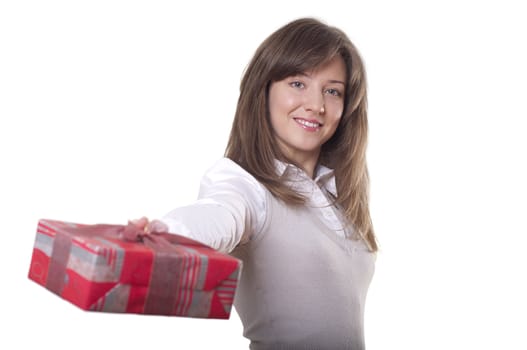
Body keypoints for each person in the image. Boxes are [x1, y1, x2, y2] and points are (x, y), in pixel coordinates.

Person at [134, 17, 378, 350]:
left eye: (332, 91)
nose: (317, 105)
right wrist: (164, 235)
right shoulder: (243, 185)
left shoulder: (338, 192)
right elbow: (217, 214)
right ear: (263, 90)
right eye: (297, 83)